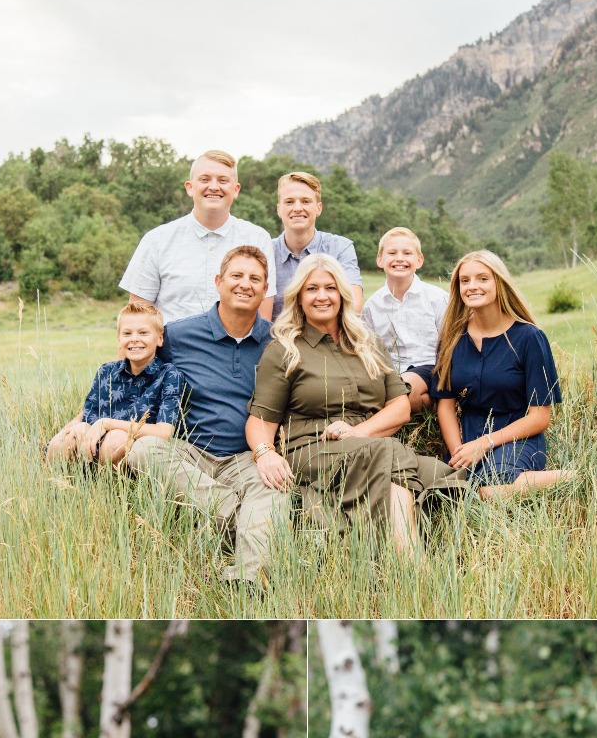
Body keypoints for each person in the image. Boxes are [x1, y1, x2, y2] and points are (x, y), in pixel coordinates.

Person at [246, 256, 461, 560]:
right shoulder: (284, 350)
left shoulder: (367, 343)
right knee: (388, 454)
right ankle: (413, 568)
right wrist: (265, 454)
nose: (322, 296)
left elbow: (400, 408)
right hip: (312, 448)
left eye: (330, 287)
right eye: (312, 289)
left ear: (342, 294)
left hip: (369, 445)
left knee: (443, 473)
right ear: (299, 298)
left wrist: (357, 432)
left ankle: (401, 557)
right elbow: (259, 420)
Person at [126, 246, 289, 584]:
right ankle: (241, 517)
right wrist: (85, 420)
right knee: (142, 450)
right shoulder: (178, 335)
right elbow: (132, 379)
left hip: (246, 457)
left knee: (274, 484)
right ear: (219, 281)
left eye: (255, 279)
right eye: (237, 276)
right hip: (189, 453)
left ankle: (248, 581)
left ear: (264, 290)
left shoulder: (277, 343)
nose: (245, 284)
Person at [433, 252, 571, 497]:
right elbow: (445, 405)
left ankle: (578, 478)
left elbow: (540, 417)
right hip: (468, 438)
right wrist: (459, 453)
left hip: (518, 436)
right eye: (465, 281)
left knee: (489, 486)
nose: (472, 286)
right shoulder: (451, 338)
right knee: (452, 492)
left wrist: (484, 444)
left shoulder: (529, 338)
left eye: (482, 278)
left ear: (499, 283)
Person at [119, 152, 275, 321]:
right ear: (190, 187)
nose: (214, 187)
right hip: (173, 347)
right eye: (205, 179)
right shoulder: (156, 241)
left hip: (237, 346)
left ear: (236, 190)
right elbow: (138, 317)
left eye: (223, 180)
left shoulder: (258, 239)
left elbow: (263, 317)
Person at [46, 302, 184, 469]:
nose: (134, 339)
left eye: (143, 333)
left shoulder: (169, 375)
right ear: (119, 338)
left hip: (136, 457)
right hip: (92, 448)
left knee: (116, 440)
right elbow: (88, 415)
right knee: (62, 441)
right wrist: (78, 427)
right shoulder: (106, 371)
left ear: (160, 338)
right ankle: (67, 487)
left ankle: (110, 491)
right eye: (127, 333)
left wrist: (107, 423)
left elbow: (164, 433)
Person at [362, 226, 448, 415]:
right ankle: (429, 403)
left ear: (419, 260)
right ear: (380, 260)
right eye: (392, 253)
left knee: (402, 391)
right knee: (384, 393)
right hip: (390, 372)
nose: (399, 258)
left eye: (407, 253)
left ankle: (434, 400)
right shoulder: (372, 305)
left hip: (430, 368)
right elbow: (370, 350)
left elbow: (450, 343)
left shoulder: (436, 298)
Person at [271, 170, 363, 316]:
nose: (297, 208)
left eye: (306, 201)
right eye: (289, 202)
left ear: (318, 208)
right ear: (279, 210)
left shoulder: (340, 248)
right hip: (276, 337)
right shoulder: (265, 252)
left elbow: (354, 306)